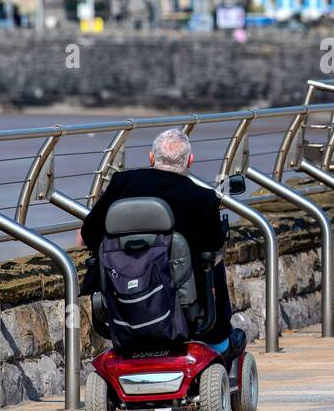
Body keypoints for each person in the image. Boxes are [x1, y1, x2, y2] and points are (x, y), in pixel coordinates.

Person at [80, 128, 238, 354]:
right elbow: (213, 247)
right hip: (181, 305)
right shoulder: (203, 199)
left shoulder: (121, 183)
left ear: (151, 157)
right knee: (213, 263)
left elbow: (89, 235)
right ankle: (219, 339)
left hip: (123, 300)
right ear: (190, 161)